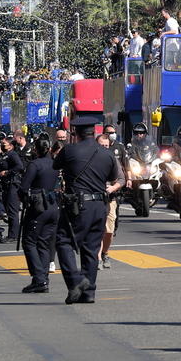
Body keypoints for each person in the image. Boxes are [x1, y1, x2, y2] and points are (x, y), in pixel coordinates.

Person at [54, 116, 120, 304]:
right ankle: (88, 292)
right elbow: (113, 176)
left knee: (63, 241)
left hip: (78, 204)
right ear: (95, 133)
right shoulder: (107, 154)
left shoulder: (69, 150)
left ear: (76, 133)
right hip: (100, 205)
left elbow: (55, 165)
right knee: (91, 248)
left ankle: (76, 280)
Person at [18, 136, 60, 293]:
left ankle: (39, 279)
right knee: (43, 242)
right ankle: (43, 279)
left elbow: (23, 187)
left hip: (39, 206)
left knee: (29, 242)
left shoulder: (34, 165)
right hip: (53, 205)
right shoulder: (54, 164)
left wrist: (23, 199)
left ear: (35, 149)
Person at [99, 124, 126, 269]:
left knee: (108, 231)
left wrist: (113, 187)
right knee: (97, 229)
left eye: (106, 145)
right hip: (94, 200)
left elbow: (121, 179)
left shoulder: (114, 159)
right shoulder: (91, 159)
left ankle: (105, 252)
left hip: (110, 199)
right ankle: (97, 258)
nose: (104, 147)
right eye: (101, 145)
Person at [0, 135, 25, 241]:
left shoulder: (12, 155)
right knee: (9, 211)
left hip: (13, 184)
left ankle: (13, 235)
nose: (2, 145)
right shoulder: (4, 155)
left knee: (12, 211)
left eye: (4, 144)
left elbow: (19, 166)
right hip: (5, 185)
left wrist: (7, 172)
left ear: (11, 146)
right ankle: (12, 233)